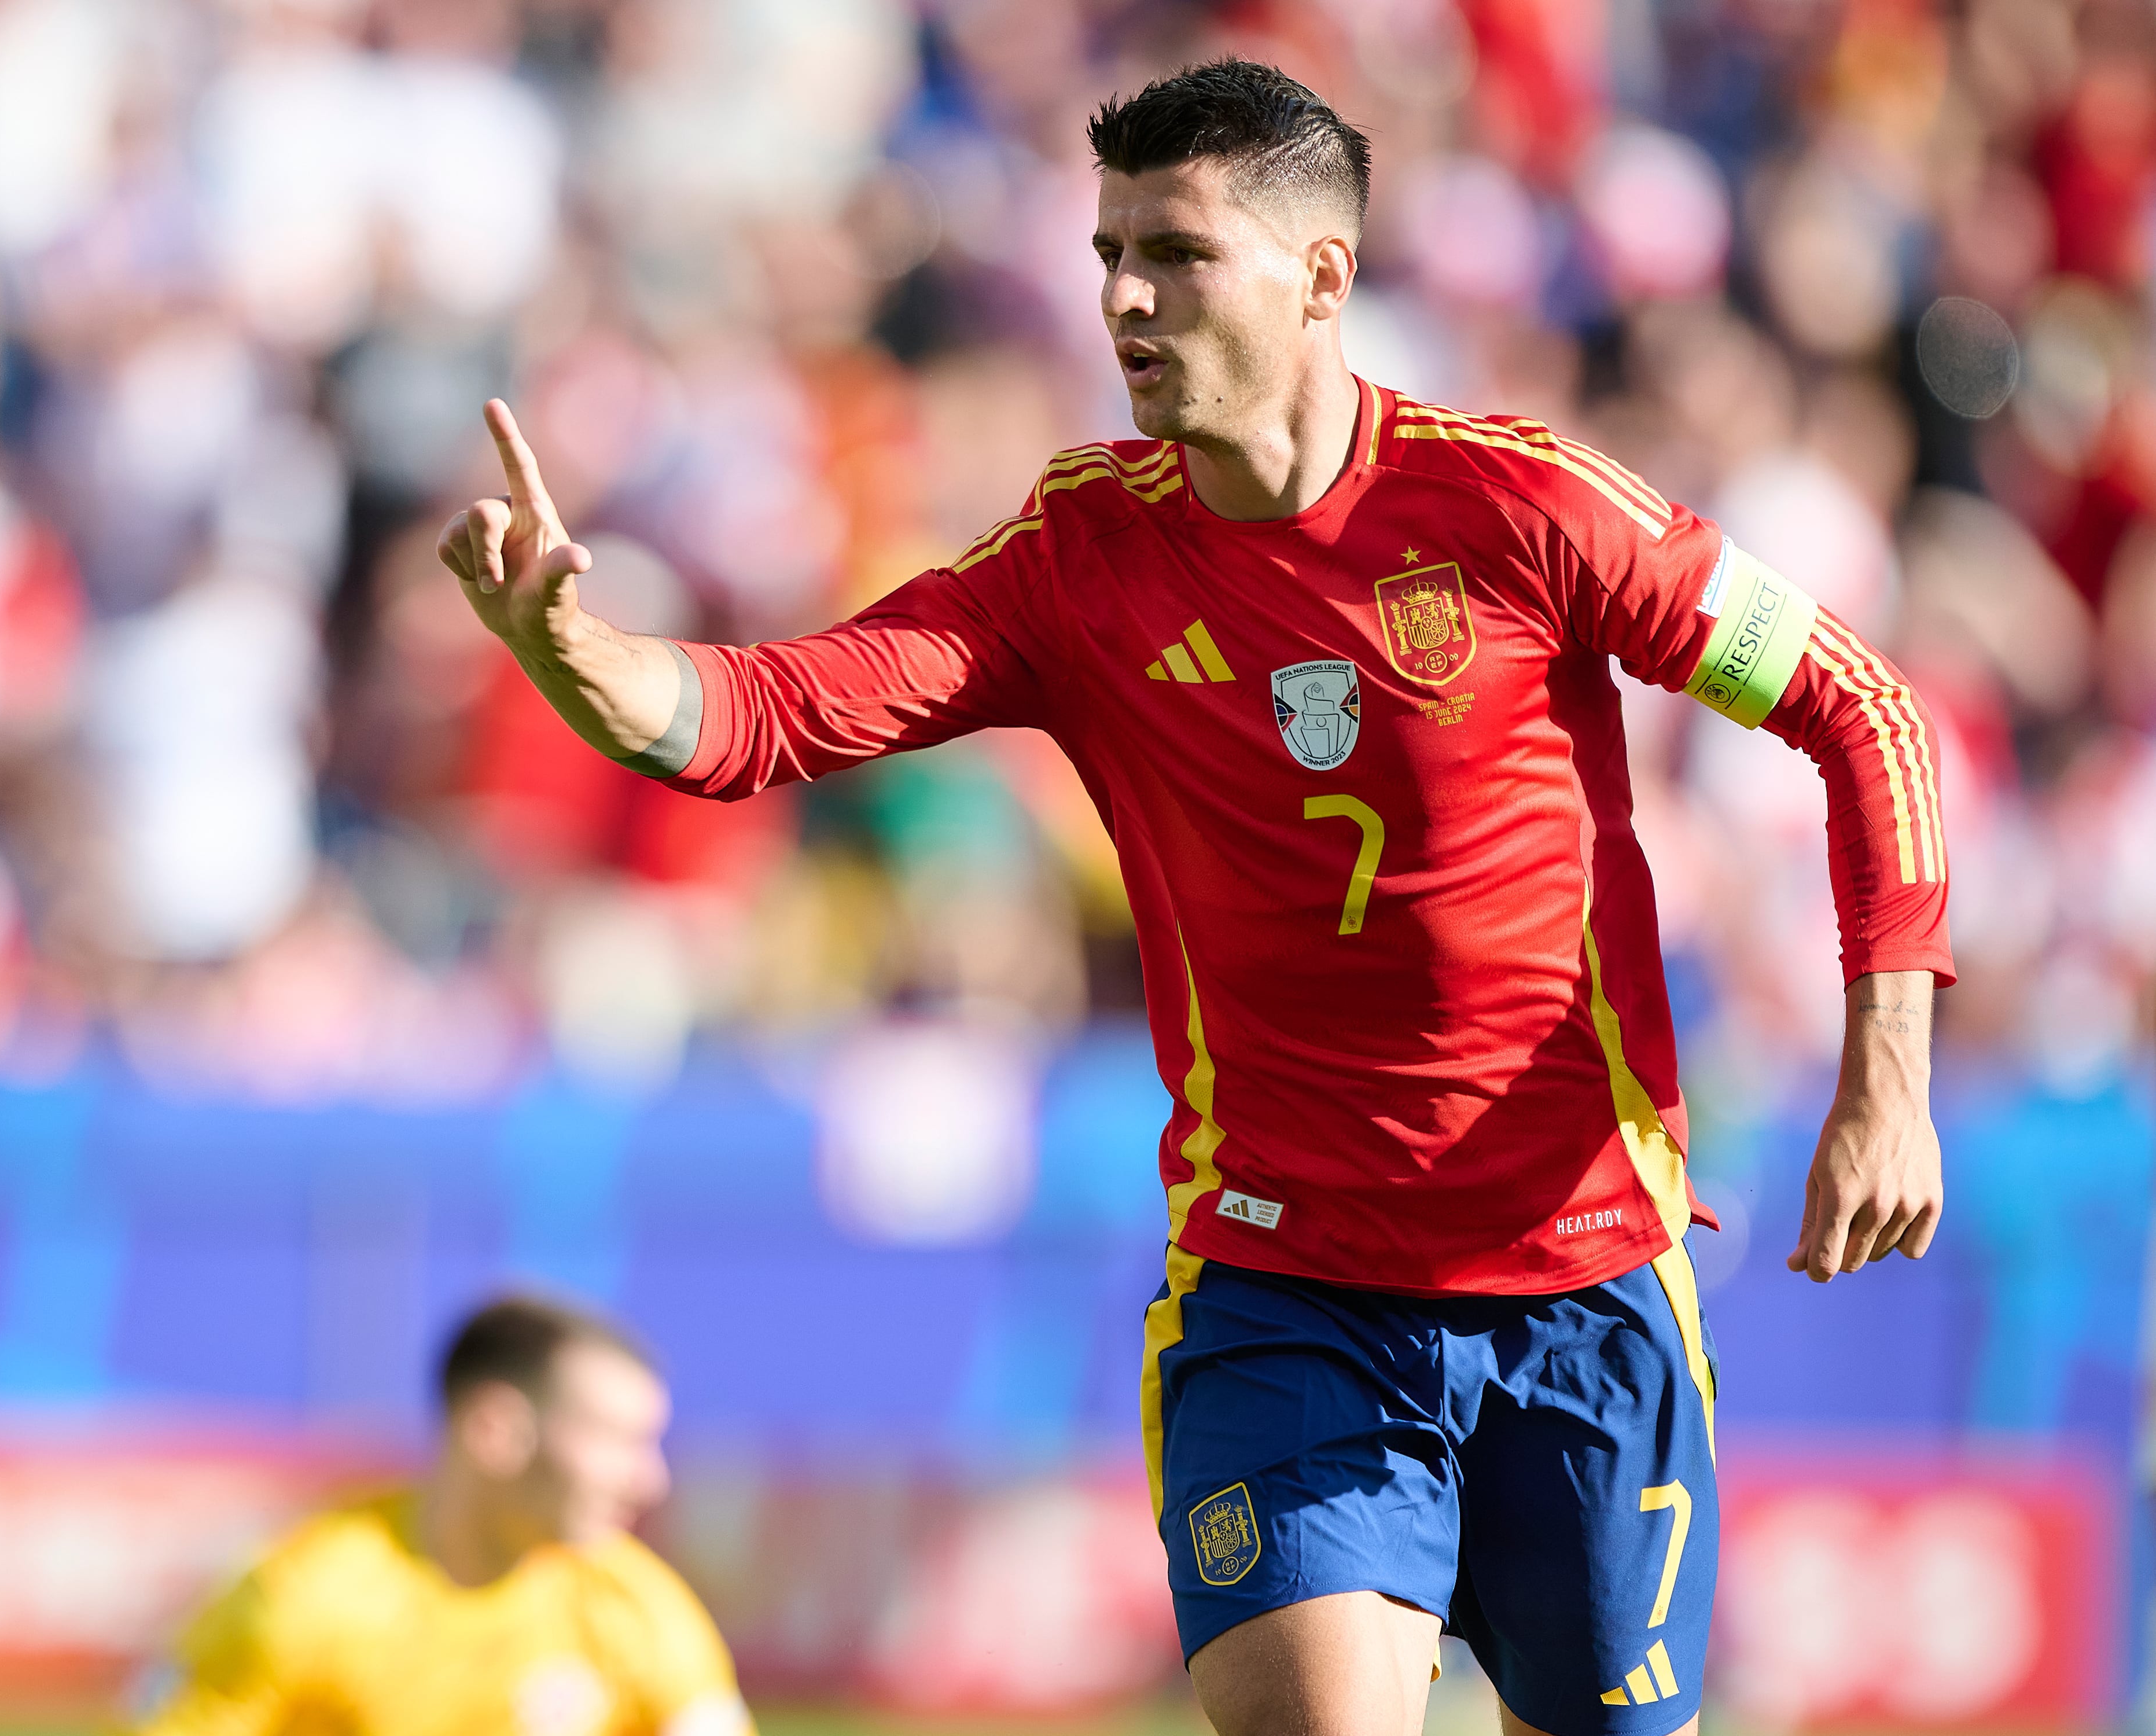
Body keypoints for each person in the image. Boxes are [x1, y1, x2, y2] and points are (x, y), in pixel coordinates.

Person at [437, 57, 1947, 1736]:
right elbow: (766, 715)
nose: (1123, 297)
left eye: (1175, 252)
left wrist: (1884, 1078)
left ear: (1321, 278)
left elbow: (1858, 707)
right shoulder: (1082, 557)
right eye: (1104, 255)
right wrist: (576, 655)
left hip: (1580, 1275)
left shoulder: (1522, 506)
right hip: (1283, 1281)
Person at [136, 1295, 750, 1736]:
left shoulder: (634, 1605)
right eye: (618, 1440)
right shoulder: (301, 1602)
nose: (650, 1481)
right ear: (495, 1432)